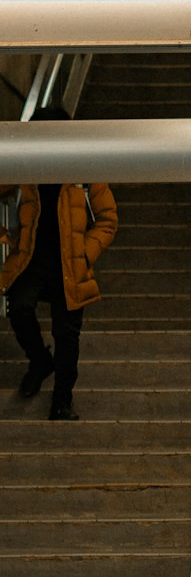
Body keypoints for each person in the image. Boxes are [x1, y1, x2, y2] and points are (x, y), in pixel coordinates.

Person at [0, 106, 118, 421]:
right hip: (31, 259)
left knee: (67, 335)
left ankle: (62, 400)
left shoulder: (84, 165)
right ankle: (39, 362)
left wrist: (84, 253)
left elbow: (108, 220)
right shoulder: (26, 165)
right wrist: (6, 238)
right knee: (19, 307)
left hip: (70, 264)